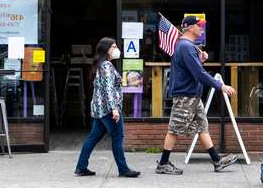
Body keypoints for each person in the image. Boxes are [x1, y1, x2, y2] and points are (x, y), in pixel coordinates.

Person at [156, 15, 238, 175]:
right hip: (185, 96)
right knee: (174, 129)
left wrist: (200, 60)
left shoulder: (187, 46)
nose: (202, 28)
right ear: (190, 27)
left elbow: (193, 69)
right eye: (199, 25)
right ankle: (163, 163)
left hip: (193, 95)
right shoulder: (186, 47)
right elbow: (198, 73)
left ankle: (217, 161)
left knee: (202, 127)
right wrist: (221, 86)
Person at [75, 37, 140, 178]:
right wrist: (114, 109)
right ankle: (123, 169)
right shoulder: (106, 66)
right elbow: (109, 89)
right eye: (113, 47)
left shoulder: (101, 65)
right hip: (108, 110)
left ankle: (81, 167)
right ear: (106, 50)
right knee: (118, 137)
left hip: (99, 109)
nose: (116, 49)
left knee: (92, 138)